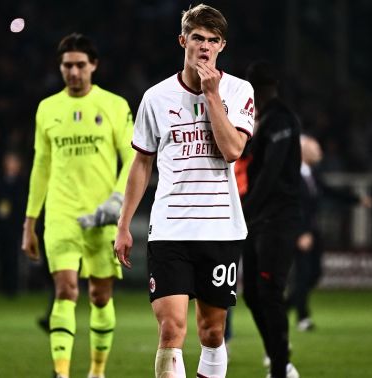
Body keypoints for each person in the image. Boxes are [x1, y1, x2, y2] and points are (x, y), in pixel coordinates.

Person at [114, 5, 254, 378]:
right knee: (171, 328)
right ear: (183, 40)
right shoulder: (155, 98)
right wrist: (124, 223)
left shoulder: (239, 91)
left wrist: (212, 95)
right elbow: (141, 163)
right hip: (170, 230)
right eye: (197, 38)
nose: (204, 47)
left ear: (221, 45)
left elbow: (232, 151)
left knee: (212, 332)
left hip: (220, 229)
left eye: (212, 40)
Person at [21, 33, 134, 378]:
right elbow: (41, 166)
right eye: (67, 65)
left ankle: (97, 371)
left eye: (80, 65)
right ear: (60, 67)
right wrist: (30, 223)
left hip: (103, 216)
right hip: (61, 213)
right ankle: (62, 372)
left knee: (100, 296)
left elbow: (131, 156)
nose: (73, 72)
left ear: (93, 66)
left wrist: (117, 200)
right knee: (66, 289)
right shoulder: (47, 108)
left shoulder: (114, 105)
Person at [240, 60, 302, 378]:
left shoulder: (280, 120)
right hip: (260, 217)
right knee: (252, 293)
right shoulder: (262, 120)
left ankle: (280, 367)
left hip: (278, 217)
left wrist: (244, 210)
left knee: (269, 290)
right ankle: (278, 355)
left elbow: (270, 174)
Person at [287, 134, 372, 332]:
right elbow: (292, 205)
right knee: (302, 274)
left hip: (313, 232)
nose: (320, 152)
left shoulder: (313, 173)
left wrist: (358, 200)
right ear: (303, 151)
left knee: (314, 274)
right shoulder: (291, 175)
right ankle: (303, 317)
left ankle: (284, 307)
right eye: (316, 148)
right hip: (300, 233)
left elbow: (330, 192)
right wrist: (301, 232)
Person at [0, 151, 27, 297]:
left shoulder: (22, 182)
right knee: (2, 257)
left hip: (15, 225)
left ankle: (13, 288)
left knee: (14, 257)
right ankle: (3, 287)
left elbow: (23, 203)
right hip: (2, 226)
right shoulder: (0, 181)